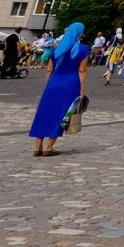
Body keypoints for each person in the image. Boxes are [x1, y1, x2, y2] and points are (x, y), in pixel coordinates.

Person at [28, 23, 90, 157]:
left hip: (54, 82)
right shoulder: (83, 49)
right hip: (71, 83)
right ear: (79, 33)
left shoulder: (56, 49)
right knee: (62, 115)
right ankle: (49, 147)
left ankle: (38, 146)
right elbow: (82, 70)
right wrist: (82, 90)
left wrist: (48, 85)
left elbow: (49, 69)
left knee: (44, 112)